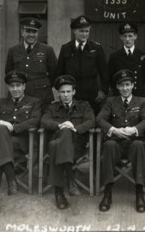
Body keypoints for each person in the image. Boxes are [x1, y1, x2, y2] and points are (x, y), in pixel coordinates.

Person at [0, 70, 42, 218]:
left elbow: (36, 120)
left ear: (24, 86)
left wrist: (14, 127)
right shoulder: (0, 102)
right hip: (3, 146)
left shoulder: (34, 102)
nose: (15, 89)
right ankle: (8, 181)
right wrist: (1, 122)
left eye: (18, 85)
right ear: (8, 88)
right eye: (12, 86)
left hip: (21, 144)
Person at [96, 69, 145, 213]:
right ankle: (107, 193)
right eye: (121, 85)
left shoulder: (142, 101)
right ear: (117, 87)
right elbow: (100, 119)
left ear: (133, 85)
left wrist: (134, 129)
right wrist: (114, 130)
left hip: (134, 142)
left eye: (128, 84)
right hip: (116, 143)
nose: (125, 88)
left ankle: (139, 193)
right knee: (108, 145)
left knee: (140, 145)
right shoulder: (110, 101)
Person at [40, 75, 95, 210]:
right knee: (61, 136)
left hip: (76, 146)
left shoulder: (84, 106)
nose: (65, 95)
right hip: (57, 144)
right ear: (58, 93)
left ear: (74, 92)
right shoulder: (52, 107)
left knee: (58, 143)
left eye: (68, 91)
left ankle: (59, 192)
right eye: (62, 92)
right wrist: (60, 126)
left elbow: (91, 121)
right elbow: (44, 121)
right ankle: (70, 179)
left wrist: (75, 128)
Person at [56, 15, 109, 114]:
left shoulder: (96, 48)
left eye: (87, 31)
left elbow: (105, 73)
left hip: (92, 94)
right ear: (74, 31)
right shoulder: (66, 48)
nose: (84, 34)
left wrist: (103, 92)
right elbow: (59, 73)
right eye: (81, 31)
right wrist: (63, 92)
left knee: (92, 121)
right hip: (72, 93)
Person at [5, 17, 58, 107]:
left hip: (42, 95)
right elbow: (8, 72)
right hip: (20, 94)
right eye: (28, 31)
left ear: (38, 33)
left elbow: (54, 72)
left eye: (34, 32)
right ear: (22, 32)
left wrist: (44, 86)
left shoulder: (47, 50)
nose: (31, 35)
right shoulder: (13, 50)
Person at [108, 22, 145, 97]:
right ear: (121, 37)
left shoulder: (144, 56)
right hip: (120, 95)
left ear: (135, 36)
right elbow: (111, 79)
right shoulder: (114, 56)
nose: (127, 39)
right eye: (125, 36)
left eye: (130, 36)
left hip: (138, 95)